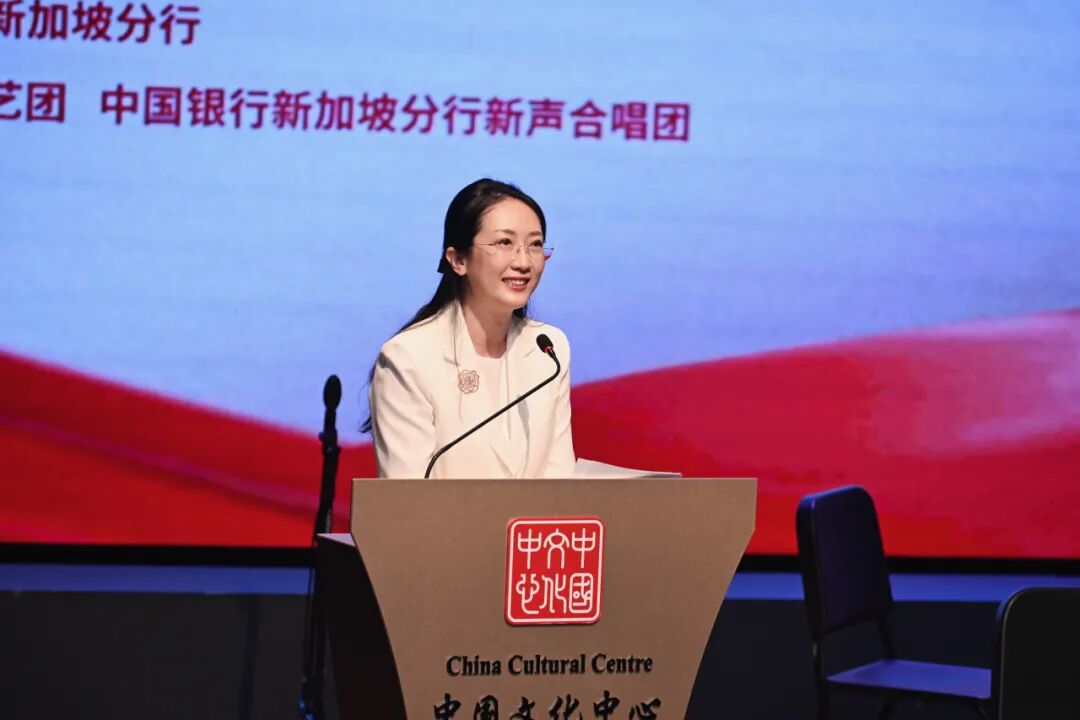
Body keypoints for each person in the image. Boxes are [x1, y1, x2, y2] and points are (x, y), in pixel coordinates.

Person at [363, 179, 575, 478]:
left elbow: (560, 480)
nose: (524, 262)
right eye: (505, 243)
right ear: (458, 260)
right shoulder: (409, 357)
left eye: (535, 245)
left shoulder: (548, 349)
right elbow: (407, 495)